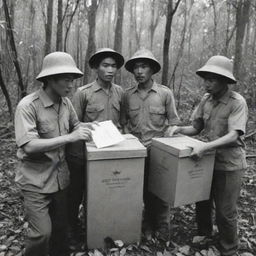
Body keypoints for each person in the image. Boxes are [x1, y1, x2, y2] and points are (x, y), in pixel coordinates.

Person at [167, 56, 248, 256]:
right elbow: (196, 127)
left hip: (229, 164)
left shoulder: (237, 102)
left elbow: (234, 134)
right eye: (206, 79)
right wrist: (178, 129)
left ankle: (229, 248)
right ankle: (204, 234)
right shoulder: (206, 100)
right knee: (202, 200)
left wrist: (205, 148)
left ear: (224, 80)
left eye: (212, 79)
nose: (207, 83)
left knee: (225, 211)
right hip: (207, 161)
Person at [14, 52, 93, 256]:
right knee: (41, 234)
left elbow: (75, 125)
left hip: (60, 179)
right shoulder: (28, 106)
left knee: (60, 230)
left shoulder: (65, 103)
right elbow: (29, 145)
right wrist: (69, 138)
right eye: (67, 80)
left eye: (73, 81)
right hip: (36, 182)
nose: (71, 86)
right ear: (50, 79)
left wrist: (93, 126)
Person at [66, 48, 125, 245]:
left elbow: (121, 124)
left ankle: (102, 230)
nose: (110, 70)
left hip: (109, 156)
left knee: (104, 194)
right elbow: (72, 125)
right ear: (96, 68)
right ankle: (72, 231)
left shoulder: (120, 93)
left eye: (114, 66)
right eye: (105, 65)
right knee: (76, 195)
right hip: (82, 156)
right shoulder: (83, 93)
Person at [123, 49, 180, 242]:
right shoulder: (127, 95)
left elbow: (174, 123)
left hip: (159, 152)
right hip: (135, 153)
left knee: (162, 191)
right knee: (142, 191)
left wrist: (169, 141)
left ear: (152, 70)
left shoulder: (165, 93)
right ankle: (147, 225)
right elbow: (124, 123)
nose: (139, 71)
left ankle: (163, 228)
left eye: (144, 66)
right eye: (136, 67)